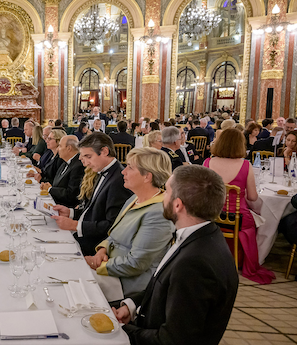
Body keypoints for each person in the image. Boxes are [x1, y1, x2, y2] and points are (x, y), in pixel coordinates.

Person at [113, 165, 239, 345]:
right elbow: (164, 288)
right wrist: (130, 306)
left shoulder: (195, 263)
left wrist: (120, 331)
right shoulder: (204, 236)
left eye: (166, 192)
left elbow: (174, 339)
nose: (162, 196)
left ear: (178, 204)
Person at [85, 148, 174, 295]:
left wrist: (99, 266)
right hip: (112, 271)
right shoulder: (134, 198)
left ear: (147, 177)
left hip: (127, 285)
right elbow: (113, 234)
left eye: (130, 167)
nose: (123, 172)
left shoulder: (158, 213)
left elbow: (136, 263)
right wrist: (102, 250)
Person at [204, 128, 275, 284]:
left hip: (211, 215)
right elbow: (252, 197)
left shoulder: (208, 162)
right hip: (238, 218)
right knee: (258, 222)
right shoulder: (245, 165)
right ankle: (242, 260)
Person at [52, 132, 133, 255]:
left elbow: (111, 226)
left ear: (105, 151)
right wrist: (71, 212)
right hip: (83, 235)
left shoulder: (118, 181)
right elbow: (93, 210)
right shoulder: (102, 171)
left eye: (88, 156)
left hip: (93, 246)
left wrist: (76, 225)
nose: (83, 161)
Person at [40, 135, 84, 207]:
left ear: (69, 148)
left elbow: (72, 195)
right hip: (55, 202)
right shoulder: (65, 161)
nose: (57, 149)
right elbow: (58, 184)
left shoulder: (78, 166)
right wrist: (47, 186)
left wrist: (50, 189)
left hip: (64, 207)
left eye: (60, 146)